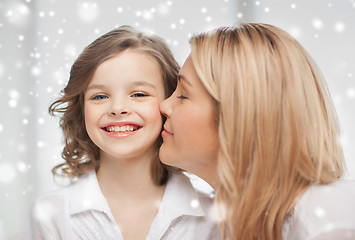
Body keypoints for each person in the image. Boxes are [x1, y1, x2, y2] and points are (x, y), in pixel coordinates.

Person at [159, 22, 355, 240]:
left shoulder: (327, 220)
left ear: (238, 114)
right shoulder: (227, 226)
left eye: (183, 95)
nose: (164, 106)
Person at [25, 26, 219, 240]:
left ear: (168, 103)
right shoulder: (50, 214)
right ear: (81, 110)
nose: (117, 108)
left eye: (138, 94)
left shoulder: (214, 217)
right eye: (99, 96)